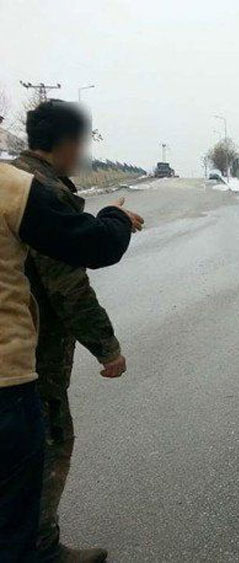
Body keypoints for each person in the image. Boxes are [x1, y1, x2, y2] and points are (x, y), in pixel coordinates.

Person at [0, 128, 142, 560]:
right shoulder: (20, 190)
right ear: (66, 144)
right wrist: (107, 348)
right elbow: (71, 279)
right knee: (41, 451)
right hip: (18, 369)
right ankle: (41, 548)